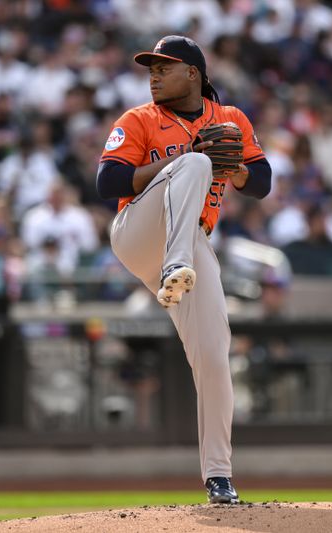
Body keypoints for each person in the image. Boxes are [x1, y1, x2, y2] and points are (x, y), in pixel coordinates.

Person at [96, 35, 271, 504]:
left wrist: (234, 171)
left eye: (163, 67)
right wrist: (185, 159)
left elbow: (262, 182)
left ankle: (219, 476)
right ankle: (175, 265)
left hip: (191, 245)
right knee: (194, 161)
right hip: (138, 233)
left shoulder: (230, 119)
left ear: (192, 73)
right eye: (150, 69)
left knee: (215, 356)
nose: (153, 75)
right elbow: (107, 181)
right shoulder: (139, 120)